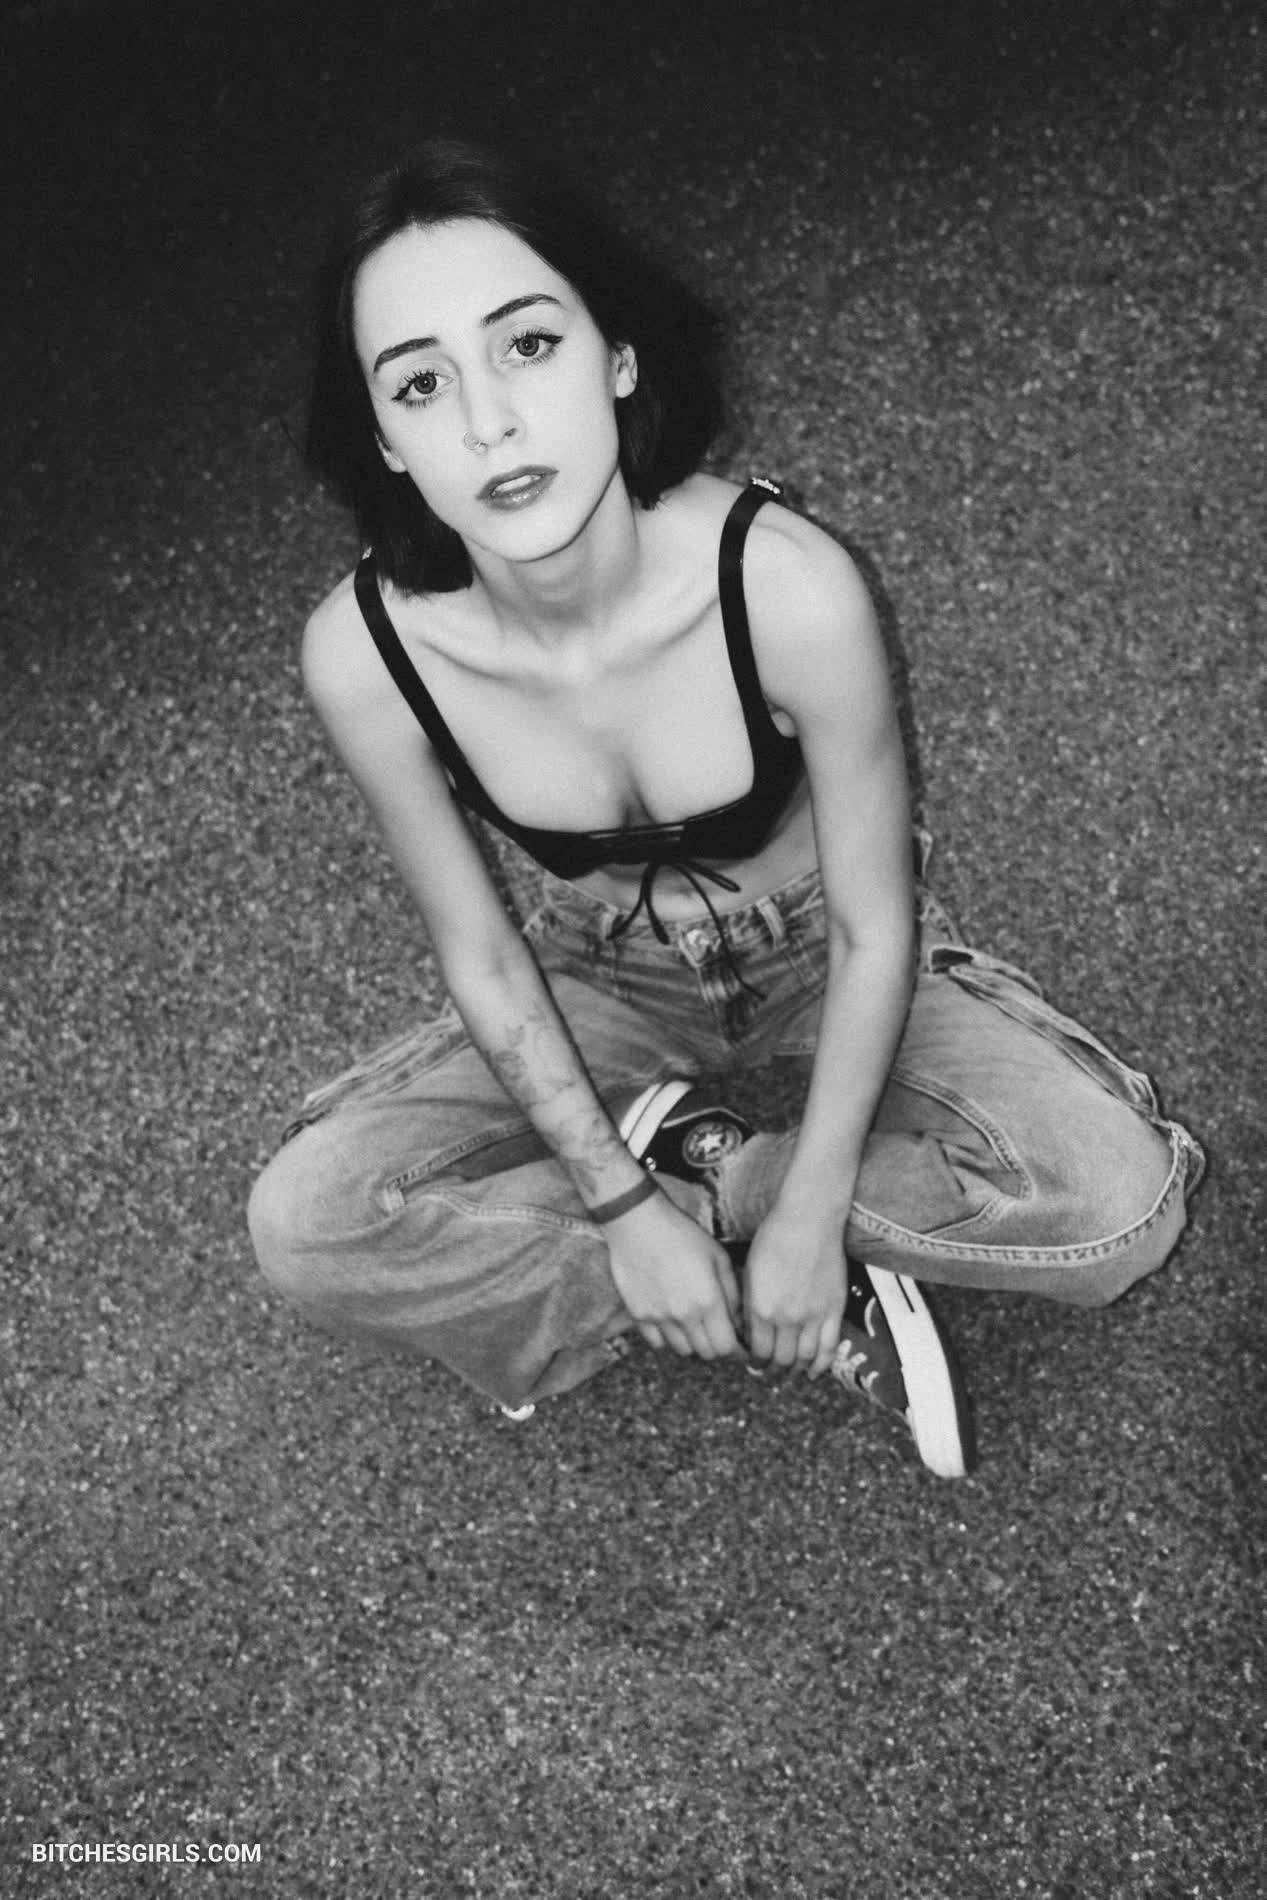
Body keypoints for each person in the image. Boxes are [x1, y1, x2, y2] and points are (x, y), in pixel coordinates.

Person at [247, 137, 1203, 1479]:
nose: (488, 425)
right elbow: (484, 956)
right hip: (596, 975)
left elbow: (876, 925)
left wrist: (803, 1204)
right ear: (386, 443)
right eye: (420, 383)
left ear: (619, 358)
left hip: (823, 945)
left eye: (528, 345)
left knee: (1118, 1209)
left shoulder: (788, 587)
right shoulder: (367, 654)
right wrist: (615, 1200)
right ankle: (678, 1213)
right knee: (308, 1225)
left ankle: (721, 1180)